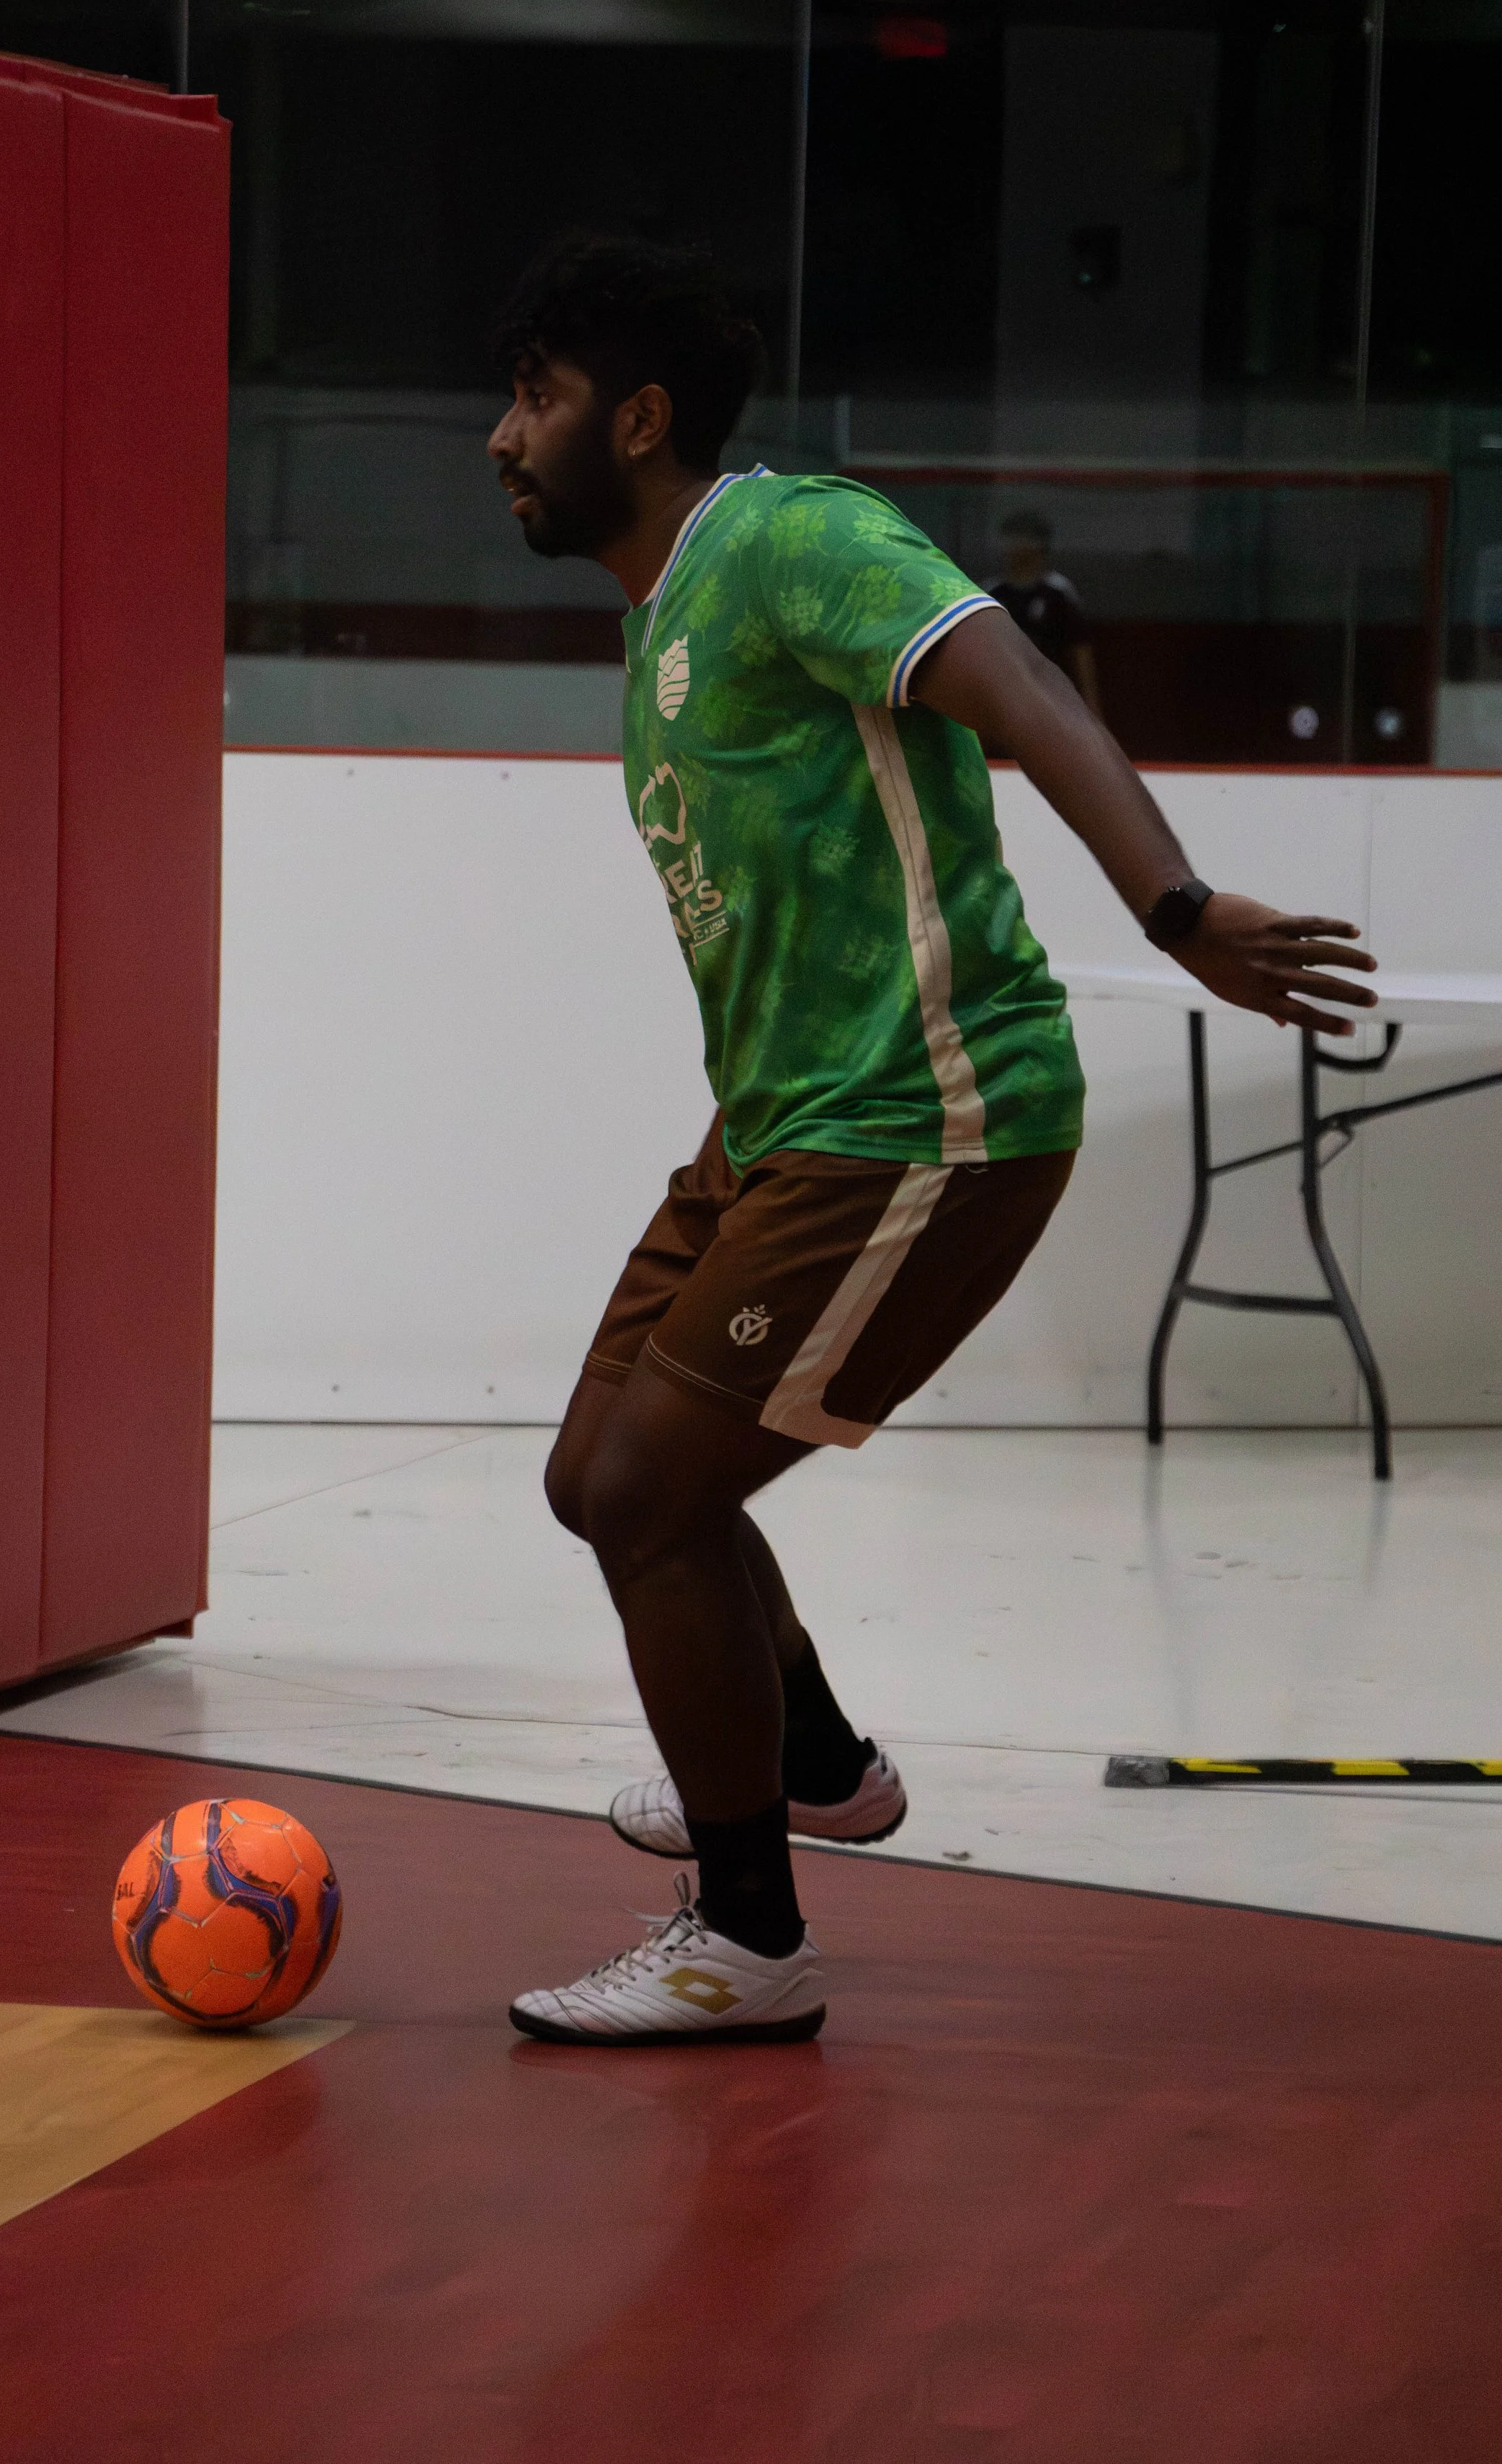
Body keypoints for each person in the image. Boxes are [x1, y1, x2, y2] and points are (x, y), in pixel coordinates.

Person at [486, 234, 1376, 2047]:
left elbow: (1029, 696)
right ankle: (810, 1757)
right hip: (779, 1130)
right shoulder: (662, 611)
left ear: (639, 420)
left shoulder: (792, 539)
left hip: (929, 1120)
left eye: (537, 398)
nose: (500, 439)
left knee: (660, 1492)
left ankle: (748, 1937)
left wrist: (1176, 899)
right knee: (599, 1479)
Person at [987, 510, 1104, 719]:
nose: (1011, 545)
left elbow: (1080, 652)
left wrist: (1091, 709)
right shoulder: (991, 594)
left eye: (1021, 537)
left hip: (1052, 698)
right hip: (1004, 699)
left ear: (1039, 546)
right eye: (1009, 537)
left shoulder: (1059, 594)